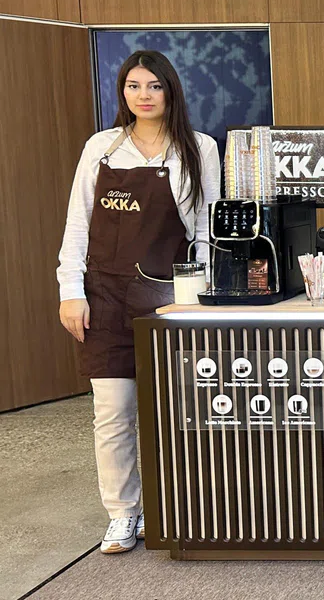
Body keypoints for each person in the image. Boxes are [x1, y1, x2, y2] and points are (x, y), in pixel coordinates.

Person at [56, 50, 221, 553]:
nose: (143, 95)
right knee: (113, 411)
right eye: (133, 86)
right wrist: (70, 292)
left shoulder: (198, 148)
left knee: (173, 412)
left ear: (170, 90)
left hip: (169, 297)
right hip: (103, 297)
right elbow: (78, 224)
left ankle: (171, 507)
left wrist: (199, 296)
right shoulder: (102, 147)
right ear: (122, 92)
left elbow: (206, 228)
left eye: (153, 86)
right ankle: (123, 513)